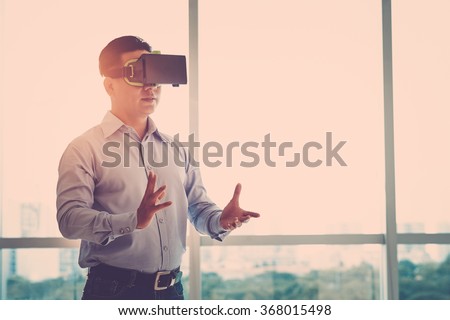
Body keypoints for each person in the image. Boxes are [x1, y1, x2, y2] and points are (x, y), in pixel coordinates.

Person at [56, 35, 260, 300]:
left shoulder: (176, 149)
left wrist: (220, 220)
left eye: (153, 75)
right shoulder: (85, 148)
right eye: (136, 74)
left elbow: (198, 208)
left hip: (171, 291)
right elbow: (70, 221)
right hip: (113, 292)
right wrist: (132, 220)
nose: (150, 86)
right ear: (109, 86)